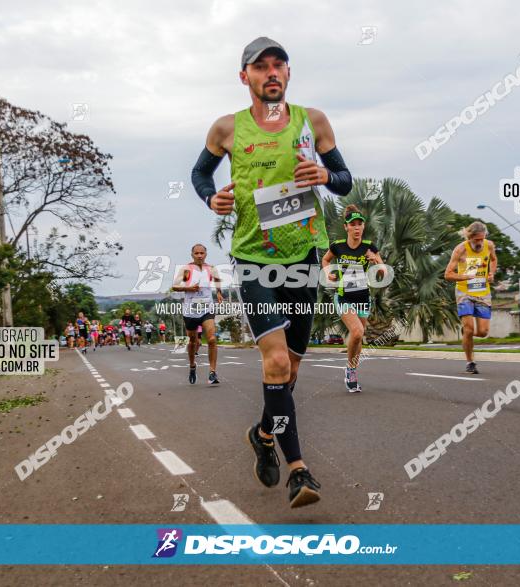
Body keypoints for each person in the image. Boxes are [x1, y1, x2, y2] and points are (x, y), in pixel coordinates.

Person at [191, 37, 353, 507]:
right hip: (254, 257)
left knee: (292, 367)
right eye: (260, 67)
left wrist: (325, 176)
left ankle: (264, 434)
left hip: (302, 255)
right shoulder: (226, 129)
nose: (271, 72)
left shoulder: (313, 121)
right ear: (245, 77)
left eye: (278, 64)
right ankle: (299, 471)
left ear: (288, 73)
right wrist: (211, 197)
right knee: (277, 361)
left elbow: (345, 181)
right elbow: (200, 175)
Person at [321, 205, 385, 392]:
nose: (357, 228)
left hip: (363, 297)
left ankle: (353, 370)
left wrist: (375, 261)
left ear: (363, 227)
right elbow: (326, 260)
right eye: (353, 224)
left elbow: (383, 270)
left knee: (358, 339)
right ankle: (349, 370)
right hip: (344, 297)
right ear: (346, 227)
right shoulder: (338, 246)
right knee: (356, 332)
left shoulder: (369, 247)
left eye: (360, 224)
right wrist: (327, 273)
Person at [444, 221, 498, 375]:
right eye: (477, 240)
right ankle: (470, 362)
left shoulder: (489, 246)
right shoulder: (460, 249)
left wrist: (491, 273)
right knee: (469, 328)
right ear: (470, 237)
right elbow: (448, 274)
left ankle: (466, 334)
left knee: (483, 332)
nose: (480, 243)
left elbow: (493, 260)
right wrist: (465, 277)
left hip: (483, 292)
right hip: (464, 293)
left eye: (482, 239)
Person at [171, 244, 224, 385]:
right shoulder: (186, 269)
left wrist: (219, 292)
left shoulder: (211, 268)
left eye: (202, 253)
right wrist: (188, 288)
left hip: (207, 308)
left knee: (212, 339)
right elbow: (174, 285)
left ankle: (212, 372)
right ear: (192, 254)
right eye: (196, 253)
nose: (199, 255)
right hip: (190, 310)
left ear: (206, 254)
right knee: (193, 342)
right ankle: (192, 365)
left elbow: (218, 280)